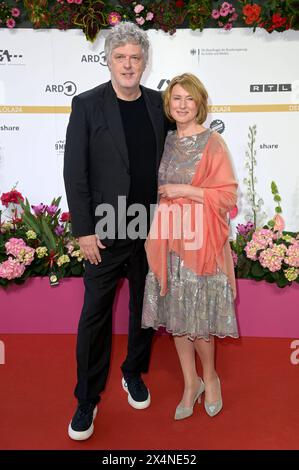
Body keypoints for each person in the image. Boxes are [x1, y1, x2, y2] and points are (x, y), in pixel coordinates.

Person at [63, 22, 168, 440]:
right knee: (95, 316)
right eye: (120, 57)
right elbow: (75, 173)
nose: (128, 64)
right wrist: (84, 230)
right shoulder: (87, 105)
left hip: (151, 228)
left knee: (145, 309)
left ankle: (132, 372)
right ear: (108, 60)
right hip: (105, 229)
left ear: (145, 62)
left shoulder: (160, 105)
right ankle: (86, 398)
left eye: (135, 57)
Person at [142, 73, 239, 420]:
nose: (182, 105)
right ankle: (190, 382)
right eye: (176, 99)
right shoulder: (164, 141)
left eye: (189, 99)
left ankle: (210, 378)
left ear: (199, 104)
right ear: (168, 105)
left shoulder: (212, 142)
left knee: (197, 318)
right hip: (168, 238)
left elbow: (227, 195)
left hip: (200, 243)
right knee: (176, 317)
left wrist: (186, 192)